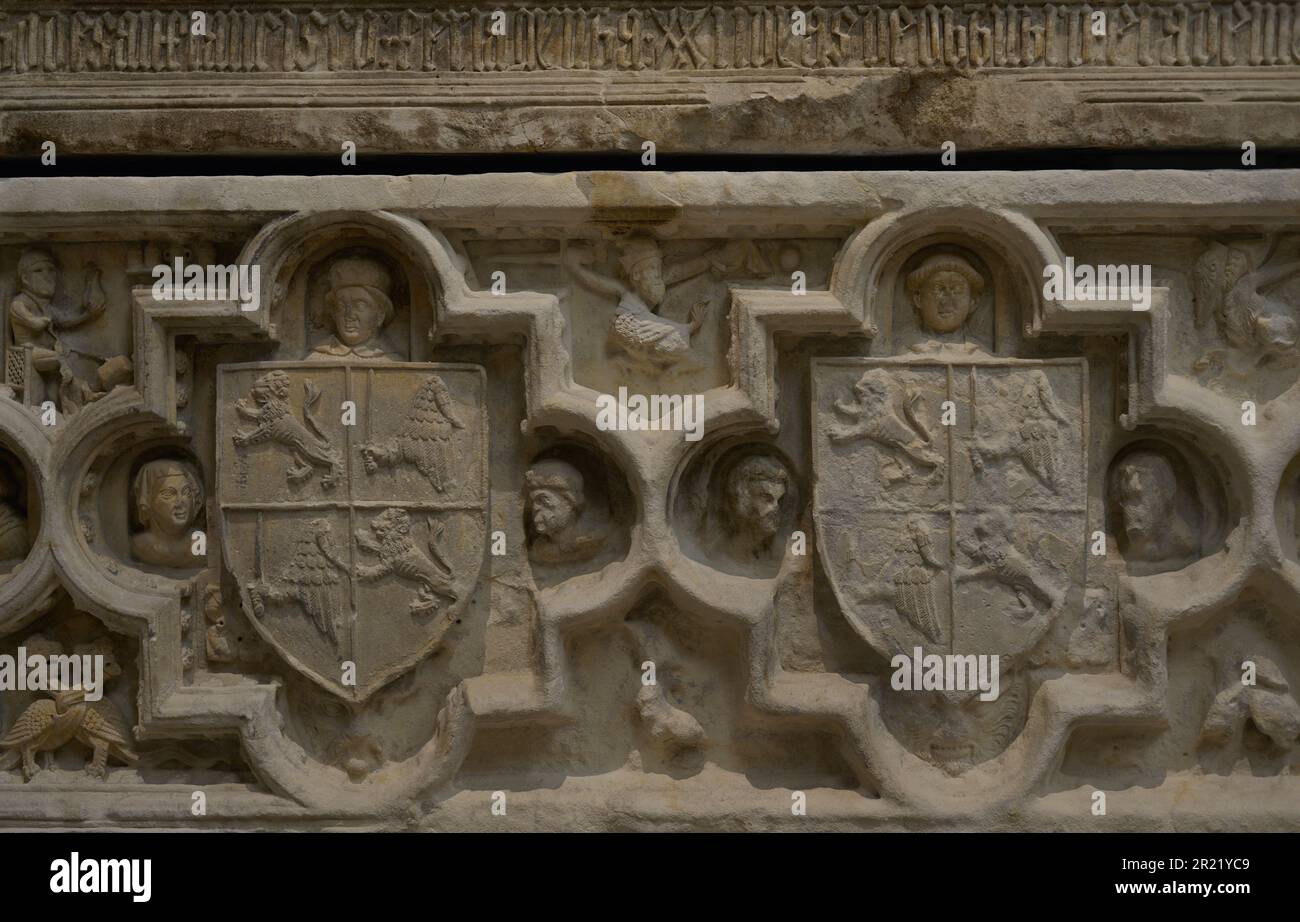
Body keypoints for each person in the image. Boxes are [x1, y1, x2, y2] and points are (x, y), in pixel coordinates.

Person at [310, 256, 399, 360]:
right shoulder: (316, 359)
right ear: (334, 314)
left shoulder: (392, 361)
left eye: (360, 305)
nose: (349, 315)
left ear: (380, 315)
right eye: (342, 305)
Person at [524, 459, 603, 563]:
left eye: (543, 500)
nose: (535, 507)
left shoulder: (592, 542)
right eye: (533, 501)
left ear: (569, 503)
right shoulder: (537, 550)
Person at [130, 458, 204, 568]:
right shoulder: (139, 545)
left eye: (186, 492)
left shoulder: (200, 543)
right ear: (148, 501)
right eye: (169, 494)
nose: (180, 502)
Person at [905, 253, 985, 335]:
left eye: (957, 289)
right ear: (918, 299)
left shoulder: (983, 348)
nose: (947, 301)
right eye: (938, 288)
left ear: (973, 302)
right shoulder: (902, 346)